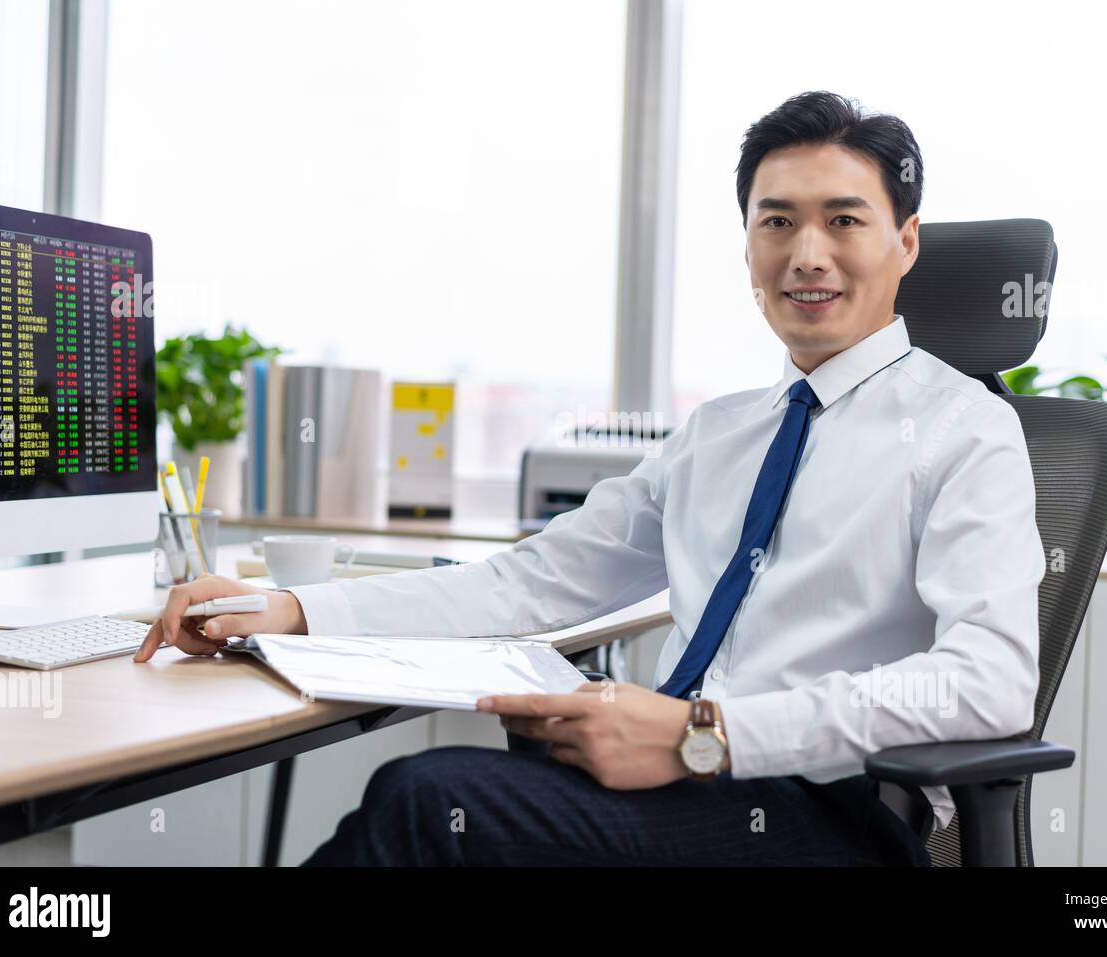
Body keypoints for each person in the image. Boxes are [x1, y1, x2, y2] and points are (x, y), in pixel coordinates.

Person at [134, 91, 1044, 867]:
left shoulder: (968, 432)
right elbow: (535, 581)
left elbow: (991, 678)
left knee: (426, 802)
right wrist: (298, 609)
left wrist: (708, 731)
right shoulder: (719, 434)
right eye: (777, 221)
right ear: (748, 247)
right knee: (431, 798)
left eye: (844, 219)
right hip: (686, 794)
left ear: (907, 241)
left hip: (826, 820)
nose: (807, 253)